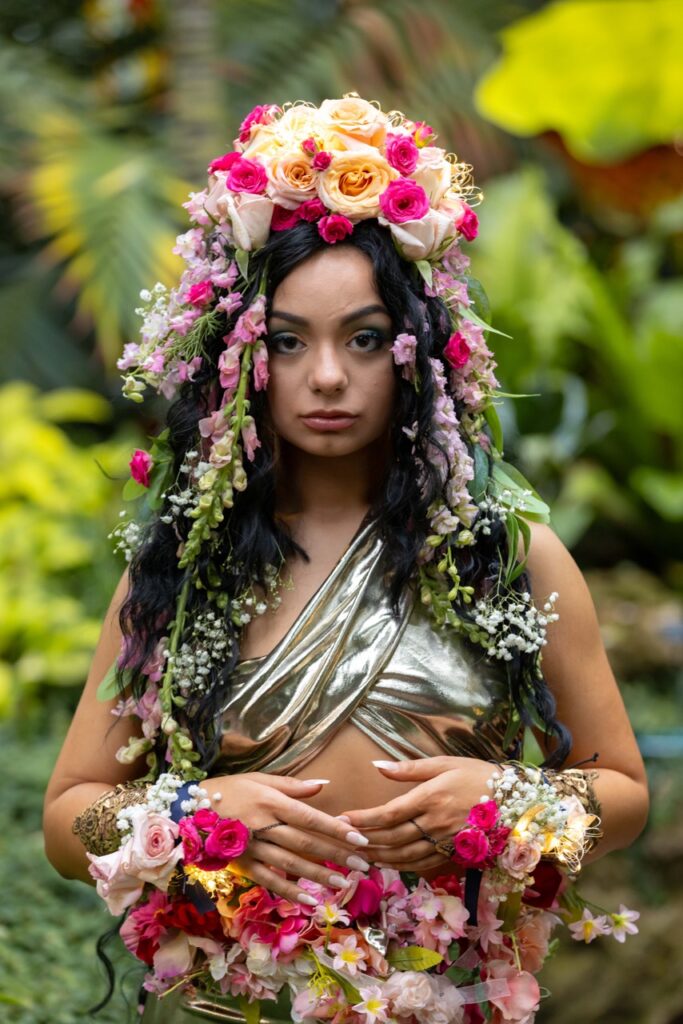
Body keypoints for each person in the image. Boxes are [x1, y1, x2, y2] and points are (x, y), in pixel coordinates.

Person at [44, 95, 648, 1024]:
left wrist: (510, 801)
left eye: (364, 338)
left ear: (420, 352)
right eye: (288, 342)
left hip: (442, 998)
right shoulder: (184, 569)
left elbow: (625, 795)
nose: (326, 376)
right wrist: (193, 817)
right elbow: (67, 820)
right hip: (228, 1004)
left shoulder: (507, 553)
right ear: (238, 355)